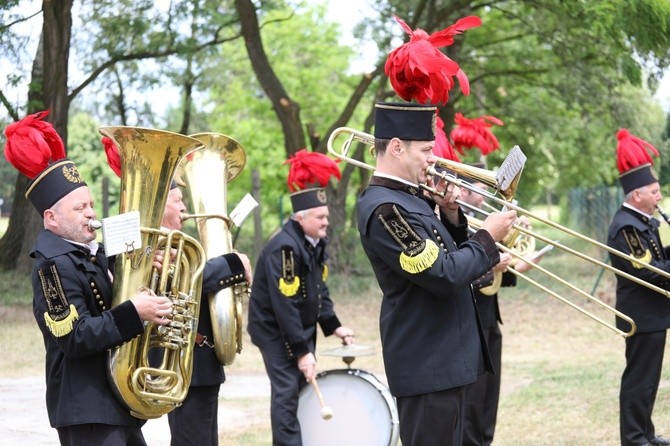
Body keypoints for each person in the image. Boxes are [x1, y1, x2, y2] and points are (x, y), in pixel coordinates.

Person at [3, 111, 173, 445]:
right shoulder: (50, 267)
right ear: (51, 218)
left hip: (114, 403)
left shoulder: (94, 253)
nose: (92, 213)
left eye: (91, 204)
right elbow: (75, 338)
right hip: (86, 408)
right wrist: (135, 312)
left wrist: (142, 270)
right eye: (79, 208)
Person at [356, 102, 517, 446]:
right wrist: (487, 236)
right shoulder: (385, 209)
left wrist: (452, 215)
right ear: (397, 147)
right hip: (426, 363)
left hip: (445, 359)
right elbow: (442, 274)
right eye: (427, 150)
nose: (434, 158)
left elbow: (450, 257)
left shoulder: (411, 199)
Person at [247, 149, 355, 446]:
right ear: (300, 217)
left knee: (301, 387)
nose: (326, 222)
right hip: (275, 330)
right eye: (320, 217)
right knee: (287, 390)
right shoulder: (285, 248)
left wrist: (334, 325)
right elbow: (285, 305)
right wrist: (302, 350)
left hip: (297, 326)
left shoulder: (314, 241)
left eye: (327, 216)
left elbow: (319, 289)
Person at [158, 183, 252, 446]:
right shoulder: (155, 243)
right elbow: (189, 280)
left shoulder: (180, 244)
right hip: (184, 364)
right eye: (177, 201)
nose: (185, 207)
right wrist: (233, 264)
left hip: (200, 364)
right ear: (159, 205)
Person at [458, 167, 542, 446]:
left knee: (489, 394)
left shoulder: (483, 223)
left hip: (489, 315)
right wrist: (494, 261)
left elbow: (503, 272)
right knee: (472, 397)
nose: (484, 199)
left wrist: (522, 260)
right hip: (468, 320)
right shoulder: (455, 223)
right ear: (464, 190)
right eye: (479, 192)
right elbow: (457, 273)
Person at [607, 129, 670, 446]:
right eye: (655, 192)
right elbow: (646, 271)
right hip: (642, 315)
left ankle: (644, 432)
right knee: (639, 380)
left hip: (654, 314)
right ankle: (634, 438)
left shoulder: (641, 221)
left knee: (649, 380)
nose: (659, 197)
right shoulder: (626, 226)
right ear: (637, 195)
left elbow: (658, 259)